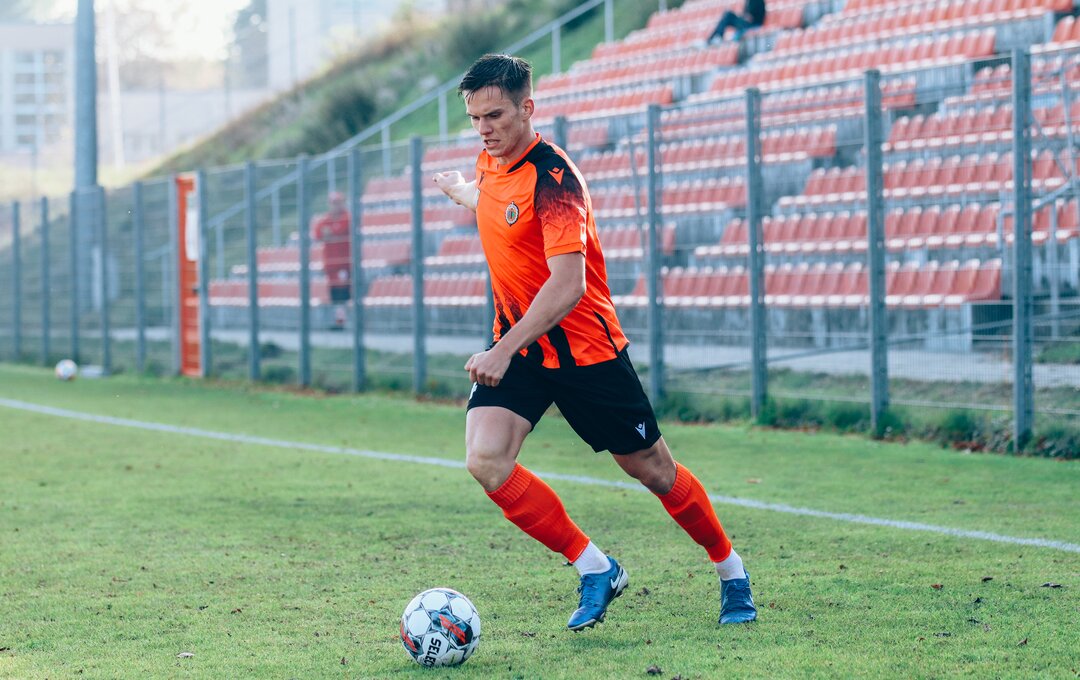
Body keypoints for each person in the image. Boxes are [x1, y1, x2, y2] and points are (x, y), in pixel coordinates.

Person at [433, 54, 756, 631]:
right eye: (475, 117)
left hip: (586, 351)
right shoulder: (489, 162)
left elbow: (569, 285)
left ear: (528, 108)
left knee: (654, 471)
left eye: (495, 115)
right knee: (485, 459)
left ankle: (731, 572)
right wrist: (463, 191)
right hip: (525, 349)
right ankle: (595, 568)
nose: (484, 128)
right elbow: (501, 208)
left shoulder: (556, 179)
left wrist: (501, 350)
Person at [309, 191, 352, 328]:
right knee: (334, 292)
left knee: (343, 291)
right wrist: (329, 233)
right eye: (333, 203)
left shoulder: (347, 218)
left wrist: (330, 233)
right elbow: (318, 233)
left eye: (338, 203)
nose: (336, 206)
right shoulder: (326, 219)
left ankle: (342, 321)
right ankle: (338, 320)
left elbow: (338, 230)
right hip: (331, 263)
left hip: (344, 263)